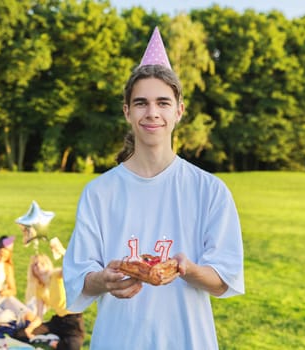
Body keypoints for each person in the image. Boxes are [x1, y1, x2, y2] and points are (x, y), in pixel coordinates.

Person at [62, 27, 244, 349]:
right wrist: (103, 280)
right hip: (118, 340)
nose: (152, 113)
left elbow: (224, 279)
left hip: (187, 340)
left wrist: (187, 269)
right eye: (141, 103)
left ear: (179, 111)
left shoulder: (209, 190)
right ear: (127, 112)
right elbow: (80, 279)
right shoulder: (99, 192)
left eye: (163, 102)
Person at [14, 253, 84, 350]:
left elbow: (69, 267)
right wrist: (29, 329)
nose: (38, 265)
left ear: (47, 264)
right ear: (32, 270)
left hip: (73, 322)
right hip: (58, 321)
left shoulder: (56, 275)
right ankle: (47, 340)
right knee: (20, 334)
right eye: (35, 264)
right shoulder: (39, 289)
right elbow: (39, 317)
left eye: (41, 263)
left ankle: (53, 343)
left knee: (71, 347)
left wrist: (60, 252)